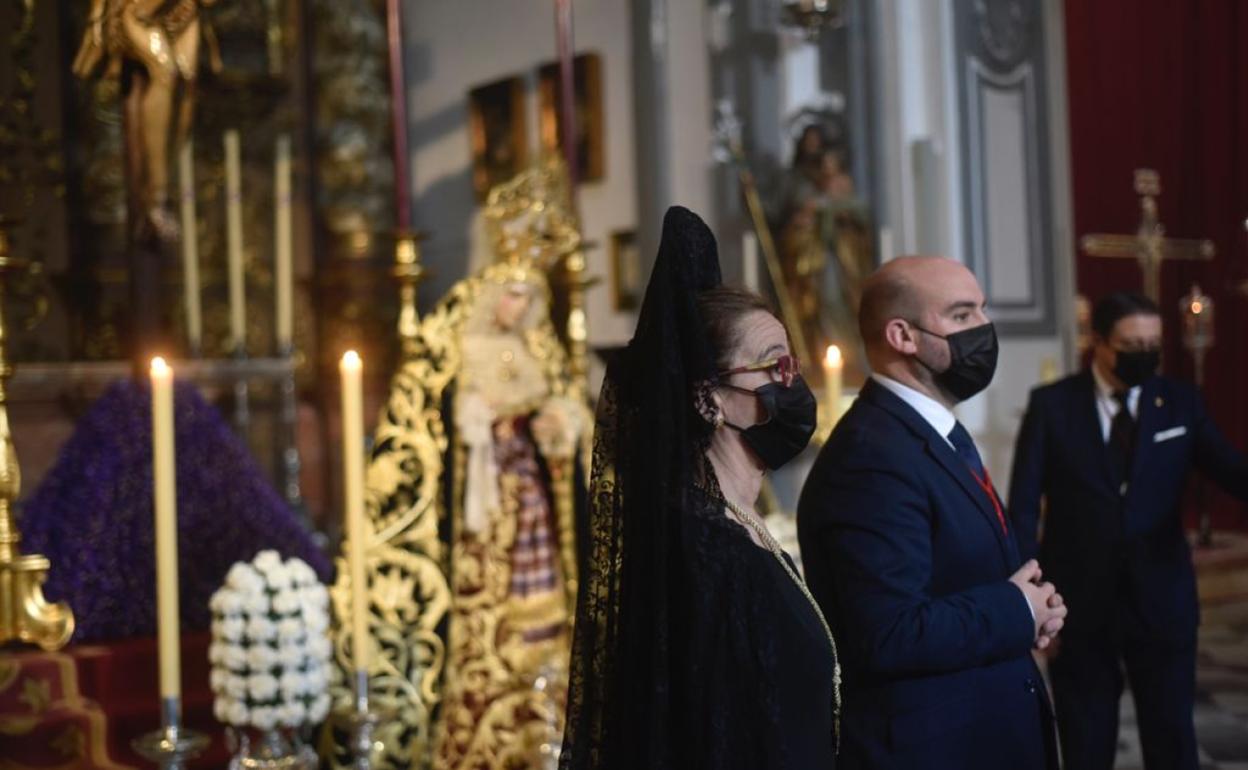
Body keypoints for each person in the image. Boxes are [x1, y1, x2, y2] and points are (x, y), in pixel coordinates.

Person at [560, 206, 839, 769]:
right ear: (708, 397)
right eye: (771, 367)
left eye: (792, 366)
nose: (792, 384)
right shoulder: (705, 549)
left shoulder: (739, 524)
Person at [797, 256, 1065, 769]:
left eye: (983, 312)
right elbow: (889, 632)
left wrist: (1030, 613)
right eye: (963, 316)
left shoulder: (932, 434)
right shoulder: (871, 457)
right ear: (903, 335)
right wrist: (1016, 610)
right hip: (935, 748)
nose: (985, 330)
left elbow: (961, 576)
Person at [1008, 291, 1248, 770]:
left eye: (1153, 343)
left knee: (1172, 736)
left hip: (1162, 600)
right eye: (1132, 343)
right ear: (1097, 342)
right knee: (1086, 740)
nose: (1146, 353)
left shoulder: (1180, 402)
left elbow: (1232, 472)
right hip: (1080, 605)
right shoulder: (1052, 406)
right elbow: (1022, 507)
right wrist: (1031, 601)